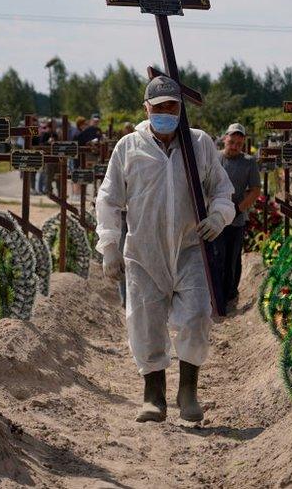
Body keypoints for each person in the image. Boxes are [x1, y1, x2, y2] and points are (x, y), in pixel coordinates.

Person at [96, 76, 235, 424]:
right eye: (158, 108)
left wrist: (219, 216)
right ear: (146, 109)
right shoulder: (128, 147)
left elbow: (222, 189)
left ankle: (188, 390)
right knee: (145, 320)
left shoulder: (199, 144)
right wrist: (109, 245)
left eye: (171, 107)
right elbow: (109, 198)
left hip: (191, 248)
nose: (165, 114)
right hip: (144, 252)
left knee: (197, 316)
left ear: (180, 108)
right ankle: (153, 396)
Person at [212, 123, 260, 312]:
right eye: (231, 142)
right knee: (216, 257)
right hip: (215, 218)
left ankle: (230, 294)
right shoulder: (215, 159)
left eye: (238, 144)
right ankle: (216, 297)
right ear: (225, 139)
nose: (234, 147)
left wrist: (239, 209)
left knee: (232, 259)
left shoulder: (248, 162)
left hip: (236, 219)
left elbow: (255, 191)